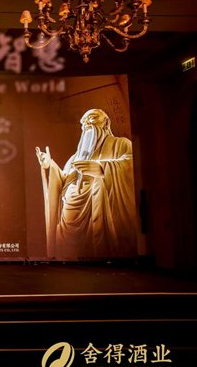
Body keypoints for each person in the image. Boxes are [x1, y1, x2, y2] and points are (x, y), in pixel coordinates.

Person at [36, 109, 137, 259]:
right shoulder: (75, 157)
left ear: (105, 123)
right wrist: (49, 165)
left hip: (98, 206)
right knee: (69, 255)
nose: (87, 123)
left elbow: (132, 164)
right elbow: (64, 180)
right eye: (83, 122)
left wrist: (102, 168)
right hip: (71, 213)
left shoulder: (120, 144)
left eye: (92, 118)